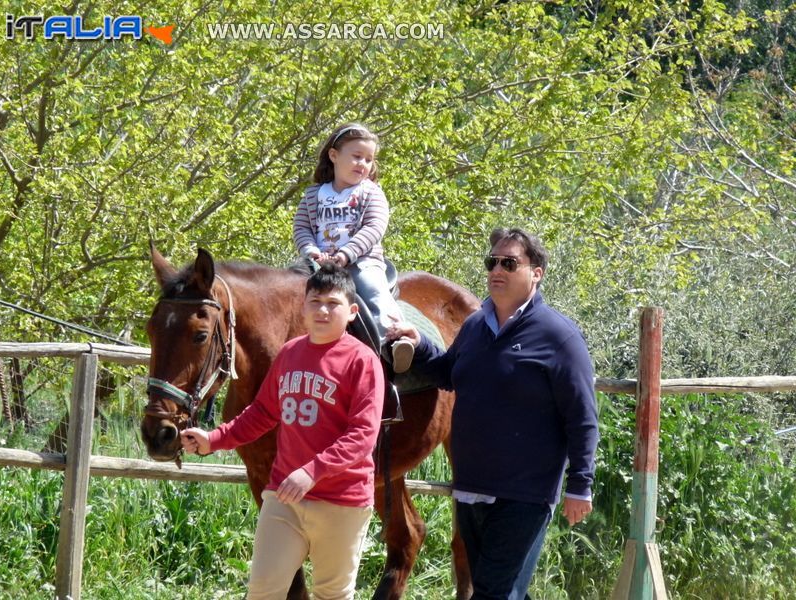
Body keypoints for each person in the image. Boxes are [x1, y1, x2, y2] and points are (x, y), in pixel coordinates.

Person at [387, 227, 599, 600]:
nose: (496, 270)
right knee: (503, 590)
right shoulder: (474, 327)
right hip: (472, 489)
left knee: (494, 593)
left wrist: (581, 484)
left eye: (509, 263)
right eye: (492, 262)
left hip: (525, 494)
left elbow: (582, 416)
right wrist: (419, 344)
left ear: (536, 272)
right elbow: (448, 373)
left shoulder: (558, 336)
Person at [181, 263, 385, 600]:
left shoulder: (362, 362)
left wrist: (312, 472)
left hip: (342, 501)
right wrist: (213, 440)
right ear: (303, 307)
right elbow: (263, 413)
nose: (322, 310)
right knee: (262, 591)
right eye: (315, 301)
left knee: (331, 595)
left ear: (351, 312)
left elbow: (362, 436)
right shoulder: (290, 353)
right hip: (284, 497)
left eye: (333, 304)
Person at [293, 122, 413, 373]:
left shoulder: (371, 193)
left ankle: (394, 340)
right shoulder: (314, 195)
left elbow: (374, 227)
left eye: (369, 159)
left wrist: (346, 254)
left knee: (373, 290)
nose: (363, 164)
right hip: (317, 263)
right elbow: (302, 228)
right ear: (334, 155)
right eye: (357, 156)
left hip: (361, 261)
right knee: (286, 288)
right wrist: (311, 251)